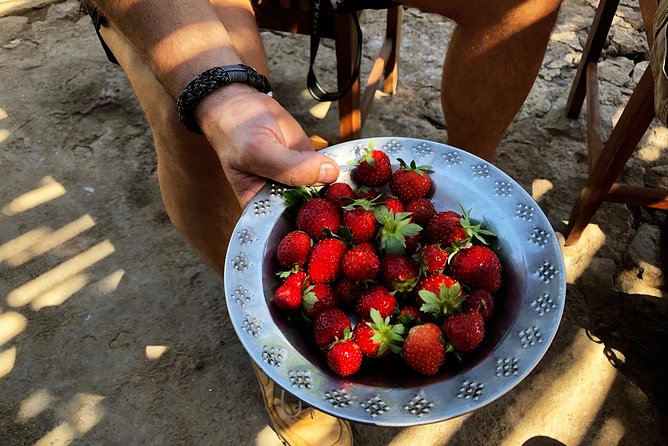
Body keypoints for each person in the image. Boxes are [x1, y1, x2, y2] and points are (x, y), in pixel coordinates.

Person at [82, 0, 562, 444]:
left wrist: (450, 233)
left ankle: (471, 185)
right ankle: (268, 340)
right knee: (193, 120)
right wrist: (221, 94)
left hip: (415, 263)